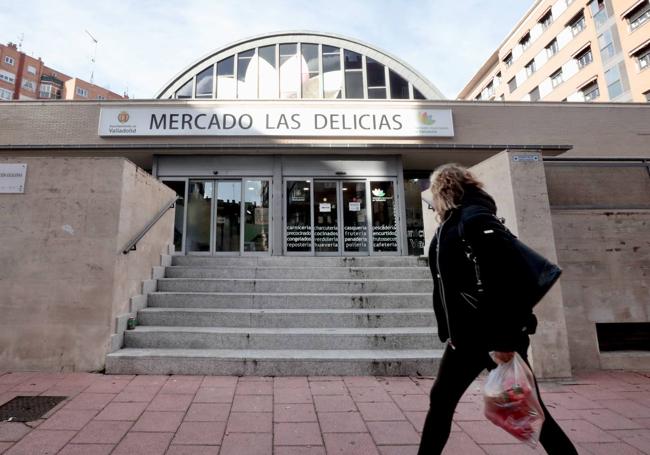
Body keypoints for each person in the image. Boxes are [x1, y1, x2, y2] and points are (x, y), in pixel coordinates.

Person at [418, 163, 577, 455]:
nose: (432, 205)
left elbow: (506, 279)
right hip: (466, 338)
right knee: (441, 400)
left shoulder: (476, 220)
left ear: (445, 189)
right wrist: (450, 330)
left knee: (534, 411)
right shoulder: (456, 222)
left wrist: (504, 339)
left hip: (494, 337)